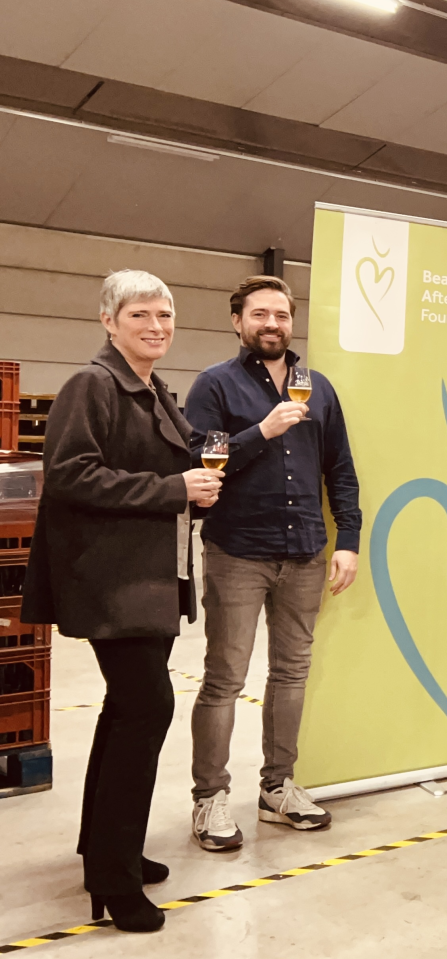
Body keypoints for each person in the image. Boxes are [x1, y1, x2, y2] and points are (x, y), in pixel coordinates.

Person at [22, 270, 224, 932]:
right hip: (113, 581)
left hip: (150, 579)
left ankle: (106, 849)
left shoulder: (152, 388)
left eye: (165, 314)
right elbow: (73, 473)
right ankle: (113, 878)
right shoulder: (94, 384)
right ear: (109, 320)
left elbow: (181, 462)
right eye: (141, 314)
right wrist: (173, 491)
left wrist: (199, 479)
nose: (157, 325)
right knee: (146, 708)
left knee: (125, 714)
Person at [181, 275, 360, 852]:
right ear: (238, 322)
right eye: (259, 314)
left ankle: (277, 788)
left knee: (290, 675)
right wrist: (262, 430)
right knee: (225, 680)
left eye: (281, 314)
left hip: (305, 551)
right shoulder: (215, 385)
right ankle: (209, 798)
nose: (272, 324)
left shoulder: (318, 388)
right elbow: (199, 464)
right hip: (237, 553)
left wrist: (348, 539)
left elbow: (341, 470)